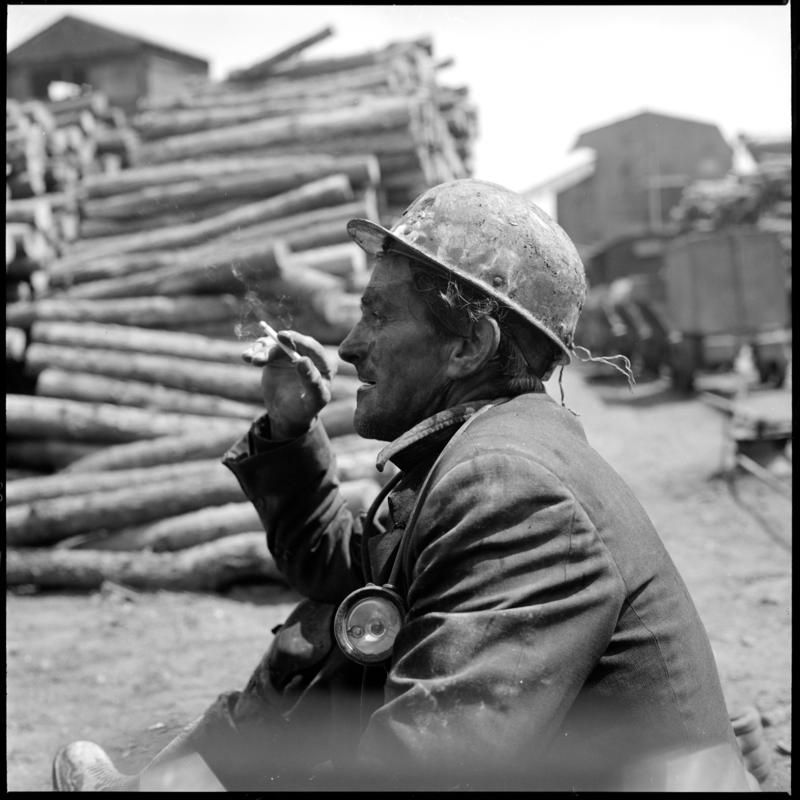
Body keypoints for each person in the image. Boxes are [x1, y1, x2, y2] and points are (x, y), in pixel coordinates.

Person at [52, 179, 758, 792]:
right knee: (323, 636)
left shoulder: (510, 484)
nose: (351, 345)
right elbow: (344, 570)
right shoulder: (480, 451)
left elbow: (425, 768)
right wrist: (292, 431)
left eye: (379, 315)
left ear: (468, 346)